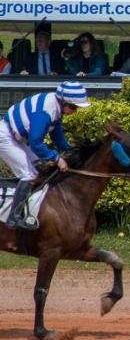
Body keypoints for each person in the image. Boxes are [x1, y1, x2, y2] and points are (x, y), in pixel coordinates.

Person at [0, 81, 91, 229]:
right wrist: (57, 159)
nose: (75, 111)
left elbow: (57, 137)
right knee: (28, 174)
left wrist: (69, 152)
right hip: (5, 136)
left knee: (38, 168)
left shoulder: (56, 108)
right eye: (73, 107)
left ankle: (29, 210)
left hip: (15, 137)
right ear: (62, 102)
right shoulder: (45, 112)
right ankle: (13, 218)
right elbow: (36, 142)